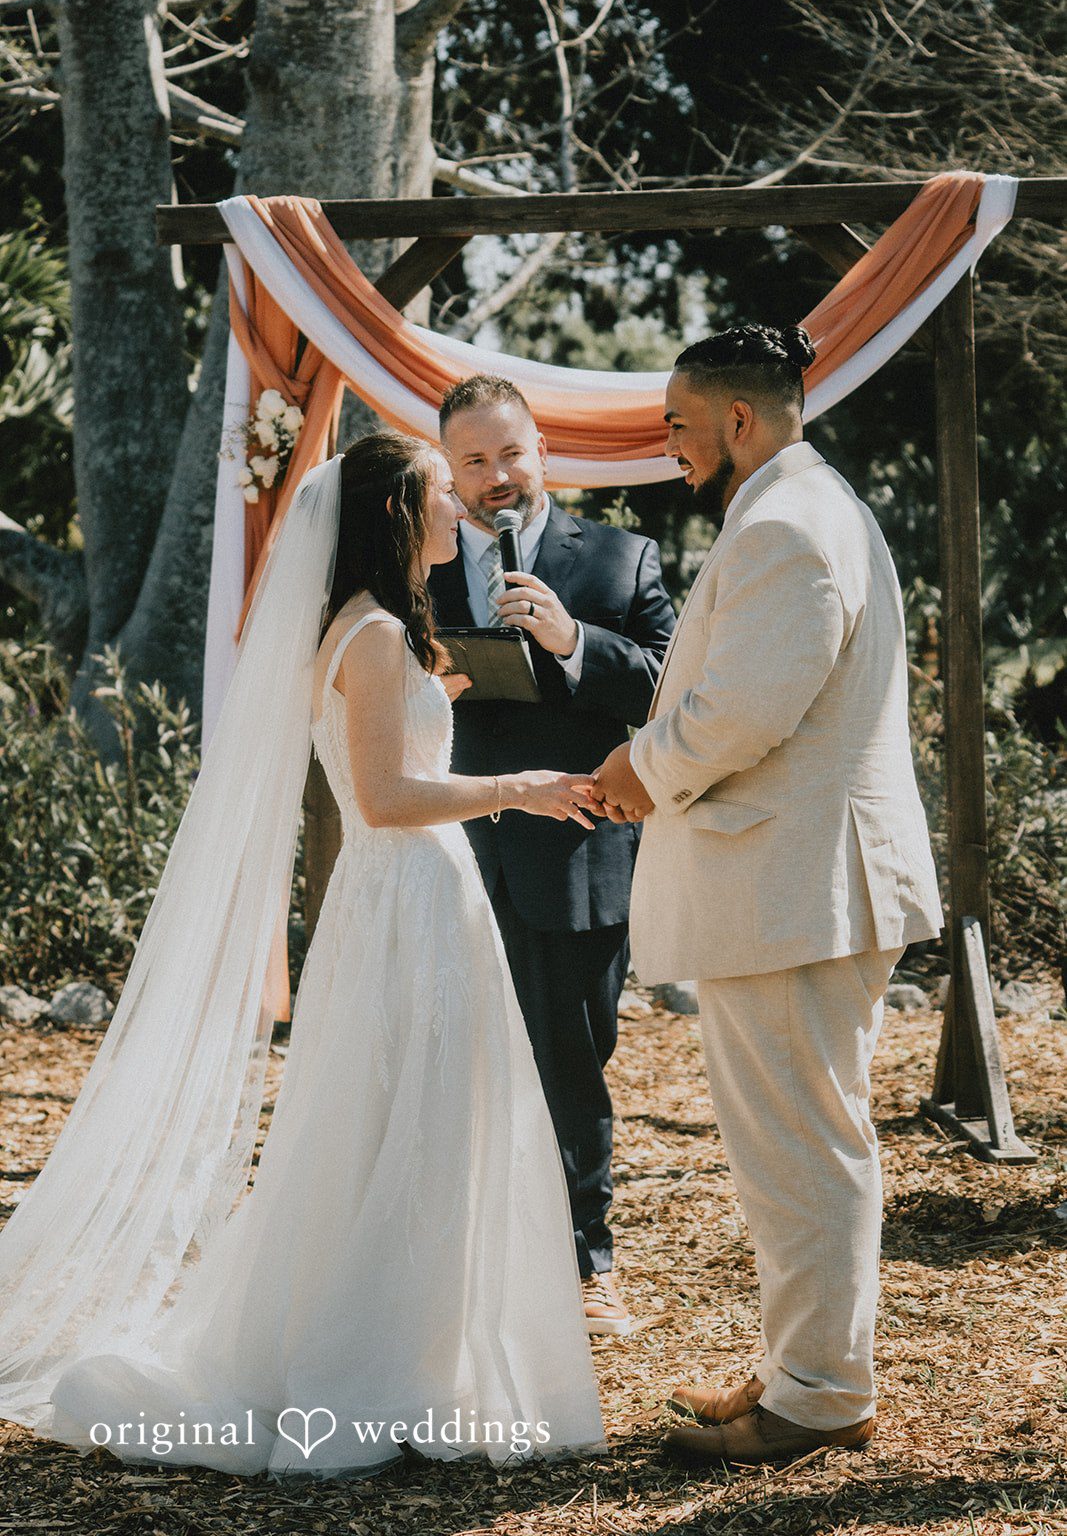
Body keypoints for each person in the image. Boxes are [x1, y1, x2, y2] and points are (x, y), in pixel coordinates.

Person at [0, 431, 605, 1479]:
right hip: (407, 896)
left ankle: (425, 1354)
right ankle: (377, 1365)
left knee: (416, 1124)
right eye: (436, 498)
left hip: (413, 898)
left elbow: (388, 749)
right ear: (393, 517)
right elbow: (383, 798)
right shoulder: (369, 636)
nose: (456, 512)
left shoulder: (376, 633)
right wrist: (523, 787)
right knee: (397, 1126)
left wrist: (440, 699)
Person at [592, 324, 944, 1465]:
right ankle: (807, 1364)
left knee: (800, 1146)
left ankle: (817, 1396)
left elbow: (744, 710)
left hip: (800, 890)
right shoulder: (803, 505)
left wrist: (635, 770)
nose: (669, 446)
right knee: (802, 1139)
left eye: (678, 425)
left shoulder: (790, 524)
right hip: (800, 884)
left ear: (738, 418)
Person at [430, 376, 676, 1337]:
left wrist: (574, 640)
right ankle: (465, 1258)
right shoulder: (419, 560)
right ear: (449, 470)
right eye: (475, 461)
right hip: (446, 855)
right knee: (448, 1061)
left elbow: (669, 689)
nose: (497, 477)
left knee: (571, 1065)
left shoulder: (618, 557)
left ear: (543, 452)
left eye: (511, 454)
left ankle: (586, 1264)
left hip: (575, 858)